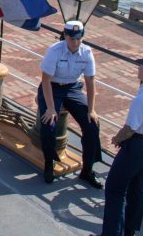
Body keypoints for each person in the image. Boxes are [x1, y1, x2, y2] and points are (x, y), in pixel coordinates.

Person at [96, 52, 143, 236]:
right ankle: (130, 230)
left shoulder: (141, 100)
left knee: (115, 190)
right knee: (138, 189)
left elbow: (130, 128)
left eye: (142, 66)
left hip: (136, 146)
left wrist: (117, 139)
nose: (138, 68)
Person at [38, 19, 103, 186]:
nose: (75, 42)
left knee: (92, 124)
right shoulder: (54, 51)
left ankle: (87, 170)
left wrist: (91, 109)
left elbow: (90, 81)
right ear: (65, 36)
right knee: (48, 124)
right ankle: (48, 163)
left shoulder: (87, 53)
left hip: (73, 87)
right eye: (72, 38)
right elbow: (46, 80)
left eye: (79, 38)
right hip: (53, 86)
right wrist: (51, 108)